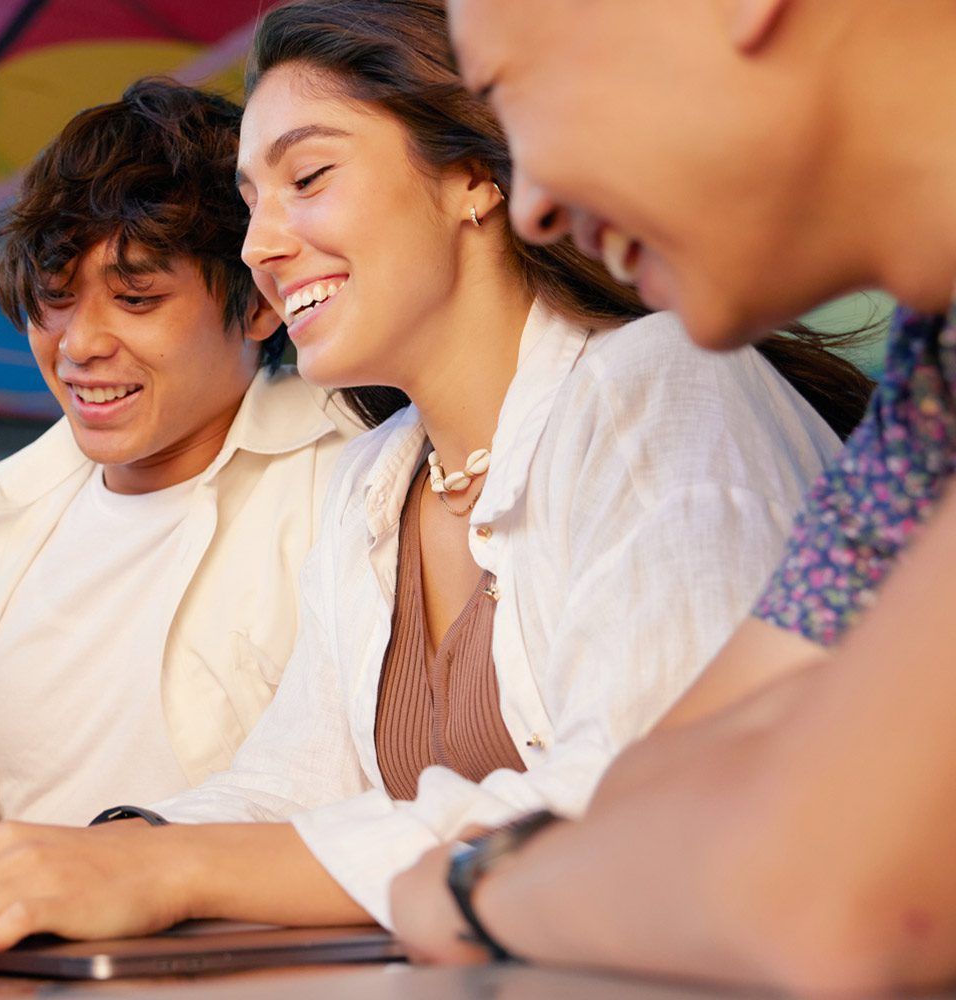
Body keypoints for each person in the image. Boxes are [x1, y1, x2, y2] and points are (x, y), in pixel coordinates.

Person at [0, 0, 874, 979]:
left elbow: (646, 801)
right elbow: (286, 787)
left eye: (307, 177)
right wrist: (96, 852)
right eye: (251, 199)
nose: (258, 245)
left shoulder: (659, 386)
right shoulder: (379, 476)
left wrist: (174, 863)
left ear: (471, 177)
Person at [388, 0, 956, 993]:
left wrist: (481, 883)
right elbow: (644, 781)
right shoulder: (930, 373)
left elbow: (830, 895)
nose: (531, 208)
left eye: (509, 92)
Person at [0, 79, 359, 931]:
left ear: (258, 301)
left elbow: (382, 816)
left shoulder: (359, 482)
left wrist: (13, 856)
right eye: (57, 296)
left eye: (138, 299)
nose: (80, 346)